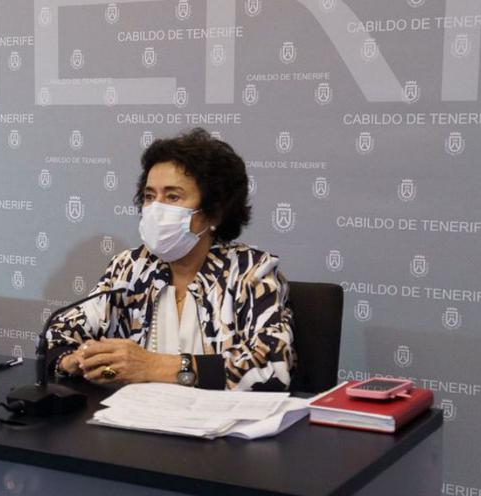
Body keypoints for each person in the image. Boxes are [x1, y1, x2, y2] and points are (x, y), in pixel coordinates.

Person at [46, 128, 295, 391]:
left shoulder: (250, 272)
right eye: (150, 196)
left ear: (214, 212)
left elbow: (273, 367)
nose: (156, 209)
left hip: (219, 427)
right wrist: (74, 360)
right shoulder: (130, 268)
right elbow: (56, 336)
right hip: (134, 422)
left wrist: (152, 366)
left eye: (173, 196)